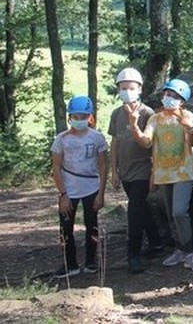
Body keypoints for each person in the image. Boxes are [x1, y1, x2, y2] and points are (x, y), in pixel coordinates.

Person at [128, 78, 193, 272]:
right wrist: (134, 125)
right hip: (164, 172)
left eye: (174, 96)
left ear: (182, 100)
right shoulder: (155, 118)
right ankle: (179, 250)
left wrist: (190, 127)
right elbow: (146, 142)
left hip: (184, 171)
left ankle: (189, 253)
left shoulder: (187, 115)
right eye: (167, 94)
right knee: (171, 214)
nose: (169, 98)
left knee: (180, 211)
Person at [109, 68, 163, 274]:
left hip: (143, 170)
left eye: (131, 88)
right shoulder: (116, 114)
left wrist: (154, 173)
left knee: (134, 211)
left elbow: (153, 145)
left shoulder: (148, 113)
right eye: (123, 88)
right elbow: (114, 143)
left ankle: (134, 254)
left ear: (139, 89)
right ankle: (157, 242)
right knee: (141, 208)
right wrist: (114, 171)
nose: (127, 91)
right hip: (126, 171)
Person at [51, 95, 108, 278]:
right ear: (70, 117)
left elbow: (102, 165)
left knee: (92, 225)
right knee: (65, 227)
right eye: (75, 117)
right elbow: (57, 167)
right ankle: (70, 263)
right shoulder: (61, 139)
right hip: (69, 189)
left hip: (91, 187)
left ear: (90, 117)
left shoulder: (97, 138)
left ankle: (91, 261)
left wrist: (101, 193)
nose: (79, 120)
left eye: (83, 117)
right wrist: (63, 194)